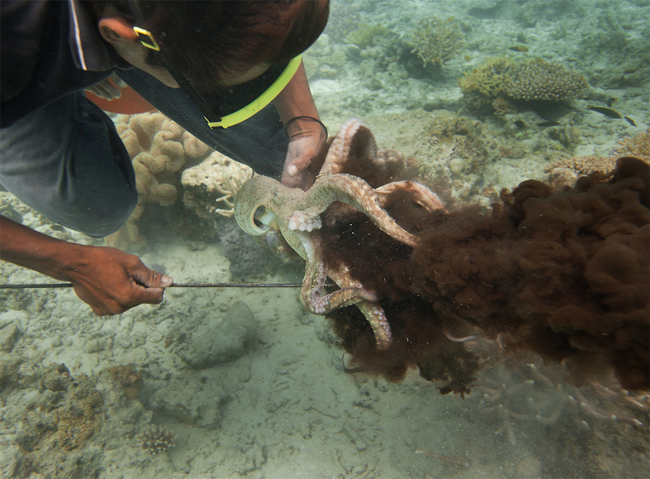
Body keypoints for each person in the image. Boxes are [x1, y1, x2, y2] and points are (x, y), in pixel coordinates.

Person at [0, 0, 330, 315]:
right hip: (18, 68)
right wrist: (71, 262)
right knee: (98, 206)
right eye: (209, 86)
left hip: (127, 33)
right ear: (117, 35)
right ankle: (63, 87)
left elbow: (270, 20)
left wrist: (301, 125)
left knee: (282, 150)